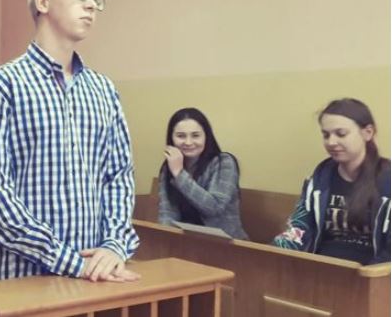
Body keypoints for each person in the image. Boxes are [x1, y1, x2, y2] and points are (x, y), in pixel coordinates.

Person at [0, 0, 139, 283]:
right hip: (22, 280)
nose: (90, 5)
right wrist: (69, 261)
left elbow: (119, 176)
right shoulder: (4, 84)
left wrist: (114, 246)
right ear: (43, 1)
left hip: (95, 279)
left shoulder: (103, 89)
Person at [274, 98, 390, 264]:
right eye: (326, 135)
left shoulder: (387, 180)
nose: (331, 142)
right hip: (321, 268)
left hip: (370, 273)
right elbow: (299, 229)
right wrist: (274, 251)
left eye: (341, 134)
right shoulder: (319, 179)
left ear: (368, 132)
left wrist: (366, 274)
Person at [157, 108, 248, 239]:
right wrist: (166, 239)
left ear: (206, 136)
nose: (188, 142)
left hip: (226, 243)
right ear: (171, 138)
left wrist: (179, 174)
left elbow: (214, 208)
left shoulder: (224, 162)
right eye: (181, 136)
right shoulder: (169, 166)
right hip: (186, 241)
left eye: (195, 135)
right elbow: (167, 213)